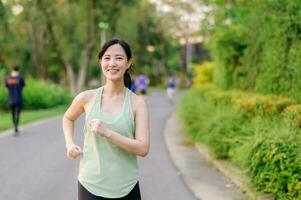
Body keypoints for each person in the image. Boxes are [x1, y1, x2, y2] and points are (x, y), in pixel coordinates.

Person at [62, 39, 150, 200]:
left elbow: (143, 148)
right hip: (90, 184)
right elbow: (68, 118)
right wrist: (70, 144)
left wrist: (107, 133)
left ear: (128, 63)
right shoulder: (86, 97)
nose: (112, 63)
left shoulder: (138, 104)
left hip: (126, 186)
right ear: (101, 62)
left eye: (119, 58)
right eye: (107, 58)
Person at [5, 64, 25, 135]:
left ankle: (14, 125)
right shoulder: (20, 78)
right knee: (18, 113)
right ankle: (16, 125)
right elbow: (23, 88)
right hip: (18, 98)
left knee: (13, 114)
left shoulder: (8, 78)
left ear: (12, 69)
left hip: (11, 99)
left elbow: (6, 88)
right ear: (18, 69)